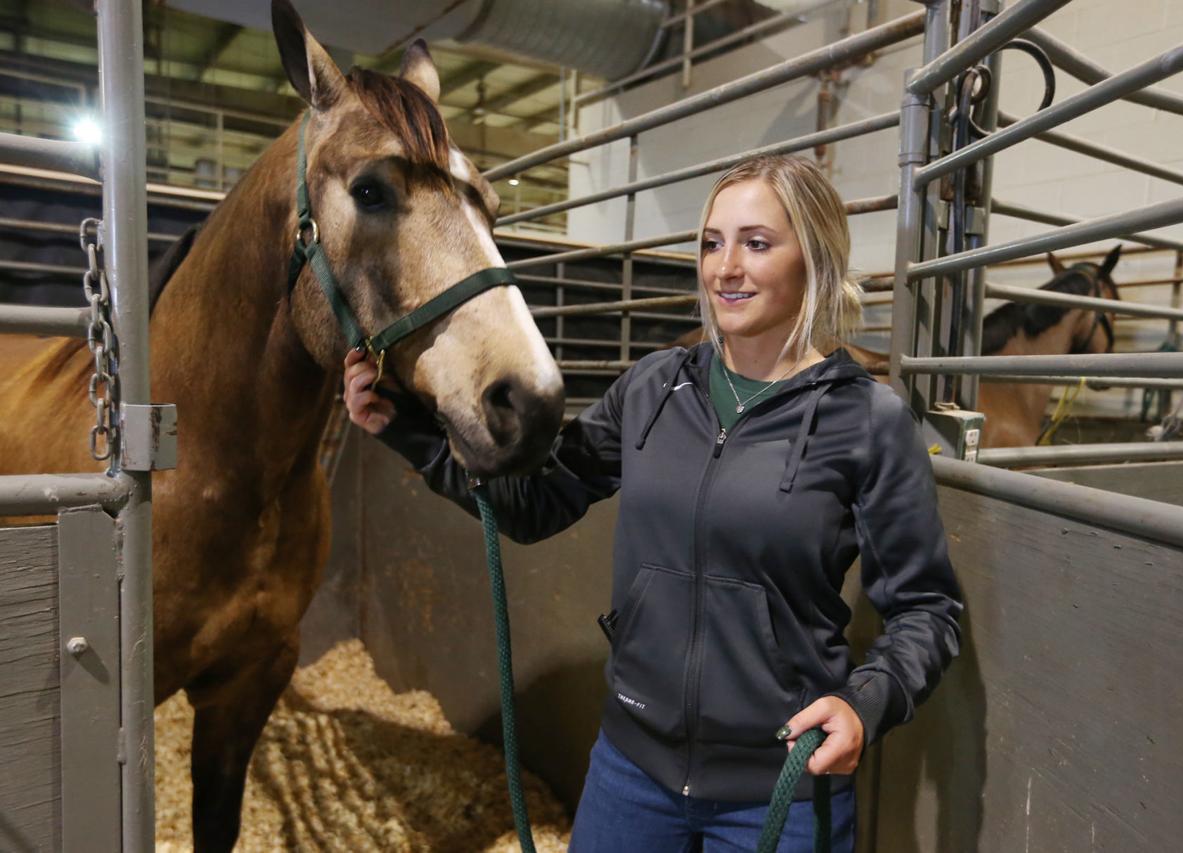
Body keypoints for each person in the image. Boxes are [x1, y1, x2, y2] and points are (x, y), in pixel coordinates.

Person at [343, 154, 963, 852]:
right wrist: (409, 431)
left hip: (779, 786)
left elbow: (927, 609)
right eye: (711, 242)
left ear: (814, 257)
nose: (726, 266)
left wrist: (865, 702)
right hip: (630, 773)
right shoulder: (653, 388)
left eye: (756, 243)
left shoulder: (867, 420)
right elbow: (535, 504)